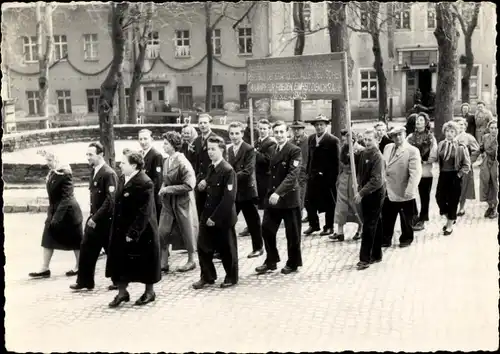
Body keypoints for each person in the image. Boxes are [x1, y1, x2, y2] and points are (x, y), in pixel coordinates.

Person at [105, 150, 161, 308]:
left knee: (145, 261)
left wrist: (134, 232)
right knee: (120, 260)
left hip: (142, 232)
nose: (120, 165)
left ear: (134, 165)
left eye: (123, 162)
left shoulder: (145, 182)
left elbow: (145, 211)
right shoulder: (123, 179)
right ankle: (122, 292)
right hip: (121, 229)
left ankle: (149, 292)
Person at [255, 120, 303, 275]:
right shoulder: (273, 149)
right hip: (273, 198)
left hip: (288, 198)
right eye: (276, 132)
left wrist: (278, 192)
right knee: (267, 229)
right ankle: (271, 260)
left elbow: (292, 175)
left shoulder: (294, 150)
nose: (279, 135)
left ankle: (293, 263)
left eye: (282, 132)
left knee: (292, 233)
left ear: (287, 133)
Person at [70, 142, 118, 291]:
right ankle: (85, 281)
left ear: (100, 154)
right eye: (87, 154)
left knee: (112, 250)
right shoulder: (94, 171)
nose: (87, 157)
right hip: (95, 220)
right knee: (86, 248)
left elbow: (110, 200)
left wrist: (95, 218)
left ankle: (118, 281)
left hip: (105, 221)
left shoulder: (108, 173)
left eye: (90, 154)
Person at [193, 136, 239, 289]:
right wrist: (203, 185)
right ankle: (207, 276)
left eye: (214, 149)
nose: (210, 152)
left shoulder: (227, 170)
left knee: (227, 248)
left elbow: (228, 198)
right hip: (208, 213)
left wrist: (215, 217)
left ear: (222, 150)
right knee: (203, 246)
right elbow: (210, 188)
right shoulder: (211, 168)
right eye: (208, 149)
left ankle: (231, 277)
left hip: (222, 217)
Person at [29, 151, 83, 279]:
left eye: (50, 160)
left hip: (69, 213)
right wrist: (52, 215)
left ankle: (80, 266)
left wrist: (57, 218)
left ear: (57, 159)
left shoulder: (65, 174)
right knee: (48, 237)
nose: (47, 163)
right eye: (46, 160)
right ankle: (44, 268)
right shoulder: (53, 172)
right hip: (55, 210)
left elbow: (66, 198)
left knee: (76, 240)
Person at [158, 131, 199, 274]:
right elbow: (165, 179)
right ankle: (163, 262)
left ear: (173, 145)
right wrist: (163, 188)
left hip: (182, 201)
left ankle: (191, 260)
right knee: (163, 231)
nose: (163, 146)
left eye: (166, 143)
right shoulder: (166, 161)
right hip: (168, 203)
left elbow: (190, 185)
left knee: (187, 231)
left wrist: (169, 189)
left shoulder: (182, 162)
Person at [227, 121, 264, 258]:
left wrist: (230, 179)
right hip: (234, 192)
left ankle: (258, 247)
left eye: (237, 133)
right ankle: (224, 249)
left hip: (247, 190)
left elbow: (248, 171)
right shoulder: (229, 150)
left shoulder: (248, 149)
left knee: (252, 221)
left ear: (242, 134)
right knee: (228, 219)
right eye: (232, 133)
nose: (234, 136)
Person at [381, 127, 422, 248]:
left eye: (400, 134)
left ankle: (406, 238)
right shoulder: (388, 148)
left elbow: (415, 172)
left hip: (404, 189)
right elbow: (384, 166)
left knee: (406, 218)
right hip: (389, 189)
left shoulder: (412, 151)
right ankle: (385, 238)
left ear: (404, 134)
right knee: (387, 216)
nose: (397, 137)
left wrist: (411, 189)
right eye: (394, 135)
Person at [353, 129, 385, 270]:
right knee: (375, 222)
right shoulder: (364, 153)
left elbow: (376, 180)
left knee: (369, 225)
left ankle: (365, 258)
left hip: (375, 194)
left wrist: (361, 193)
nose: (366, 142)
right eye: (365, 139)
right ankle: (376, 254)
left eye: (370, 140)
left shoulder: (378, 157)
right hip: (366, 193)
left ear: (377, 140)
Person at [303, 114, 340, 236]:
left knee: (330, 203)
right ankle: (314, 225)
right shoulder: (311, 139)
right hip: (313, 177)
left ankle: (329, 227)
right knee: (308, 201)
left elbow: (336, 162)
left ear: (326, 125)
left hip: (327, 178)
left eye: (321, 125)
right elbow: (310, 157)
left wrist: (332, 178)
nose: (319, 127)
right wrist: (308, 172)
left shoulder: (332, 140)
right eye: (317, 125)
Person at [435, 121, 471, 236]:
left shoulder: (460, 147)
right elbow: (438, 158)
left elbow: (467, 165)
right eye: (447, 131)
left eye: (452, 131)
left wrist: (459, 175)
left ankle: (449, 225)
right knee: (439, 198)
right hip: (443, 175)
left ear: (456, 133)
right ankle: (451, 217)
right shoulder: (441, 144)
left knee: (453, 201)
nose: (449, 134)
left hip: (455, 176)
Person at [330, 129, 363, 242]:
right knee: (341, 204)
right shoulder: (343, 149)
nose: (344, 141)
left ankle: (360, 229)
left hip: (355, 179)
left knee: (355, 204)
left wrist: (359, 181)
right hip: (344, 178)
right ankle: (340, 231)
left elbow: (361, 168)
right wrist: (339, 178)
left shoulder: (360, 150)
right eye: (343, 139)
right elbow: (341, 165)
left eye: (346, 139)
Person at [407, 113, 438, 232]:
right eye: (417, 120)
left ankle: (423, 219)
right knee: (410, 192)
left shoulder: (431, 137)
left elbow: (434, 152)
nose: (418, 122)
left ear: (426, 123)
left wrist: (426, 160)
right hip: (413, 170)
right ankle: (414, 215)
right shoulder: (410, 137)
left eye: (421, 120)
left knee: (424, 196)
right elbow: (405, 149)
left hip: (425, 170)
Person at [454, 117, 480, 217]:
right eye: (458, 124)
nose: (460, 126)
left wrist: (468, 161)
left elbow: (476, 150)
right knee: (453, 187)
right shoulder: (452, 135)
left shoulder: (469, 137)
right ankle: (453, 206)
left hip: (464, 167)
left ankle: (461, 208)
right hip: (452, 167)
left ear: (465, 126)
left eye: (462, 125)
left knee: (463, 187)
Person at [193, 113, 218, 216]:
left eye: (205, 123)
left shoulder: (216, 139)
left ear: (210, 124)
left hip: (212, 181)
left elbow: (217, 163)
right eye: (200, 123)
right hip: (198, 181)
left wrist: (206, 179)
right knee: (199, 211)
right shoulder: (197, 140)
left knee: (210, 212)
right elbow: (196, 161)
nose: (203, 125)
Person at [138, 129, 164, 222]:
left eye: (145, 139)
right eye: (140, 139)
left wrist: (150, 196)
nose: (143, 142)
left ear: (151, 139)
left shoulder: (156, 155)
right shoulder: (140, 154)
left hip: (151, 196)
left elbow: (158, 180)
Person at [254, 119, 277, 210]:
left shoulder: (271, 143)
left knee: (264, 203)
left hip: (265, 176)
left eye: (264, 129)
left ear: (269, 130)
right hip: (256, 175)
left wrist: (256, 153)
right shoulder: (256, 142)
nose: (262, 131)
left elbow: (267, 160)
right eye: (260, 128)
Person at [289, 120, 309, 221]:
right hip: (294, 171)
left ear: (302, 129)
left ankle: (301, 214)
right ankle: (297, 214)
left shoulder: (308, 140)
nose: (296, 131)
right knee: (295, 193)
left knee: (303, 193)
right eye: (294, 129)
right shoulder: (290, 142)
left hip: (305, 172)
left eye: (298, 129)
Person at [479, 120, 498, 219]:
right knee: (485, 183)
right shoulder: (485, 137)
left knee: (495, 185)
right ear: (489, 128)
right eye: (492, 128)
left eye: (495, 128)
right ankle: (490, 206)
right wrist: (482, 153)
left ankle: (495, 208)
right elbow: (481, 148)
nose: (494, 130)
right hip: (486, 163)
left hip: (496, 163)